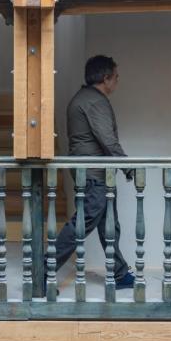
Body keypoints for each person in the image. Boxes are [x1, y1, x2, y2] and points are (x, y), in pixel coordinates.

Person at [53, 55, 135, 289]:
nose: (117, 81)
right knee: (82, 225)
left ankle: (119, 274)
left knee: (109, 224)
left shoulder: (87, 98)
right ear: (105, 77)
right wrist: (128, 167)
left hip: (97, 173)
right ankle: (44, 270)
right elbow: (107, 140)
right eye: (116, 77)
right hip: (93, 174)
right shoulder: (94, 101)